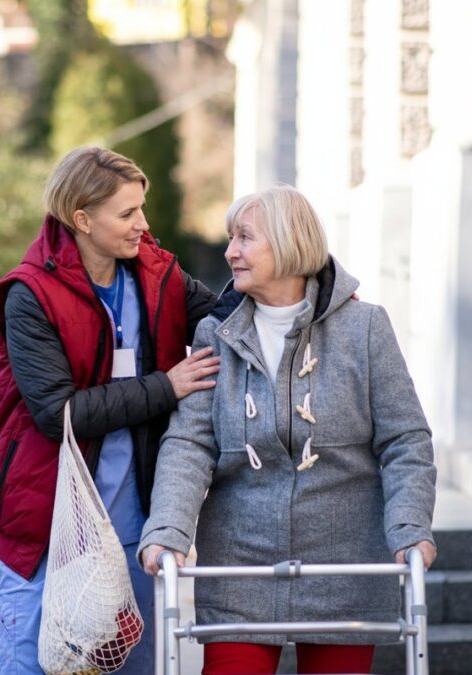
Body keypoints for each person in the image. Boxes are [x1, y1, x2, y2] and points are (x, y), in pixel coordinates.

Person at [139, 185, 438, 675]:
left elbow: (404, 439)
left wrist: (409, 527)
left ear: (289, 242)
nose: (230, 251)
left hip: (343, 566)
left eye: (244, 238)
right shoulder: (216, 334)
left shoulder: (364, 328)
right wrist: (169, 528)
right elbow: (190, 443)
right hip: (240, 566)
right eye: (230, 238)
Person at [0, 146, 219, 674]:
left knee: (132, 664)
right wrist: (167, 386)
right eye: (127, 213)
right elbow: (58, 412)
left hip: (131, 523)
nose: (143, 224)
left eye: (142, 208)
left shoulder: (156, 273)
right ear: (82, 220)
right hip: (44, 524)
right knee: (35, 665)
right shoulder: (30, 295)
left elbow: (225, 313)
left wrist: (314, 293)